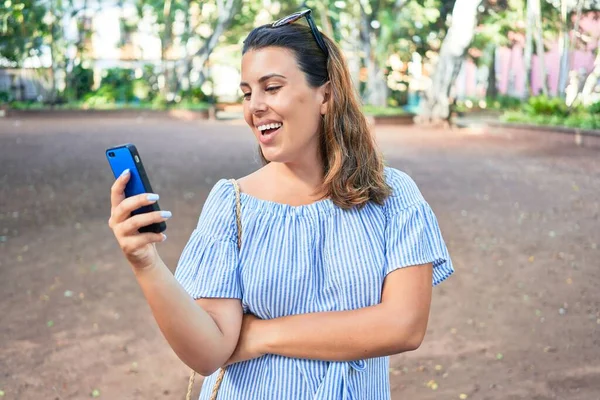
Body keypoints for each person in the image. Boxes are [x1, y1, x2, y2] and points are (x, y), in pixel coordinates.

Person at [108, 9, 454, 400]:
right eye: (246, 92)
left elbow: (404, 326)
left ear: (325, 94)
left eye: (271, 87)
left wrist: (259, 335)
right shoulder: (232, 203)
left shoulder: (392, 194)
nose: (254, 106)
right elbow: (208, 354)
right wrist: (146, 264)